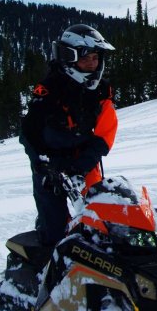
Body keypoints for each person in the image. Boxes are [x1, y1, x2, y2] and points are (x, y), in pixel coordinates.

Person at [20, 24, 118, 251]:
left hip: (83, 159)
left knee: (101, 218)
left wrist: (87, 160)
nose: (92, 63)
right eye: (86, 59)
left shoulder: (101, 89)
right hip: (50, 164)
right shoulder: (49, 88)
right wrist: (43, 163)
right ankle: (47, 260)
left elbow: (106, 130)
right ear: (69, 58)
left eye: (95, 58)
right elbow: (29, 131)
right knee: (54, 230)